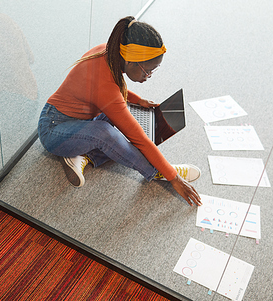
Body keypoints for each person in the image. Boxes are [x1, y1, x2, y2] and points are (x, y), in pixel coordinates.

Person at [38, 16, 202, 207]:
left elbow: (111, 87)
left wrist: (137, 100)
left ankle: (81, 156)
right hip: (53, 131)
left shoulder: (109, 52)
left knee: (118, 132)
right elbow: (138, 136)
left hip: (79, 120)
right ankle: (155, 171)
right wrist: (172, 176)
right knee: (107, 134)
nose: (148, 77)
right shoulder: (104, 82)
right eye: (147, 71)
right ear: (131, 62)